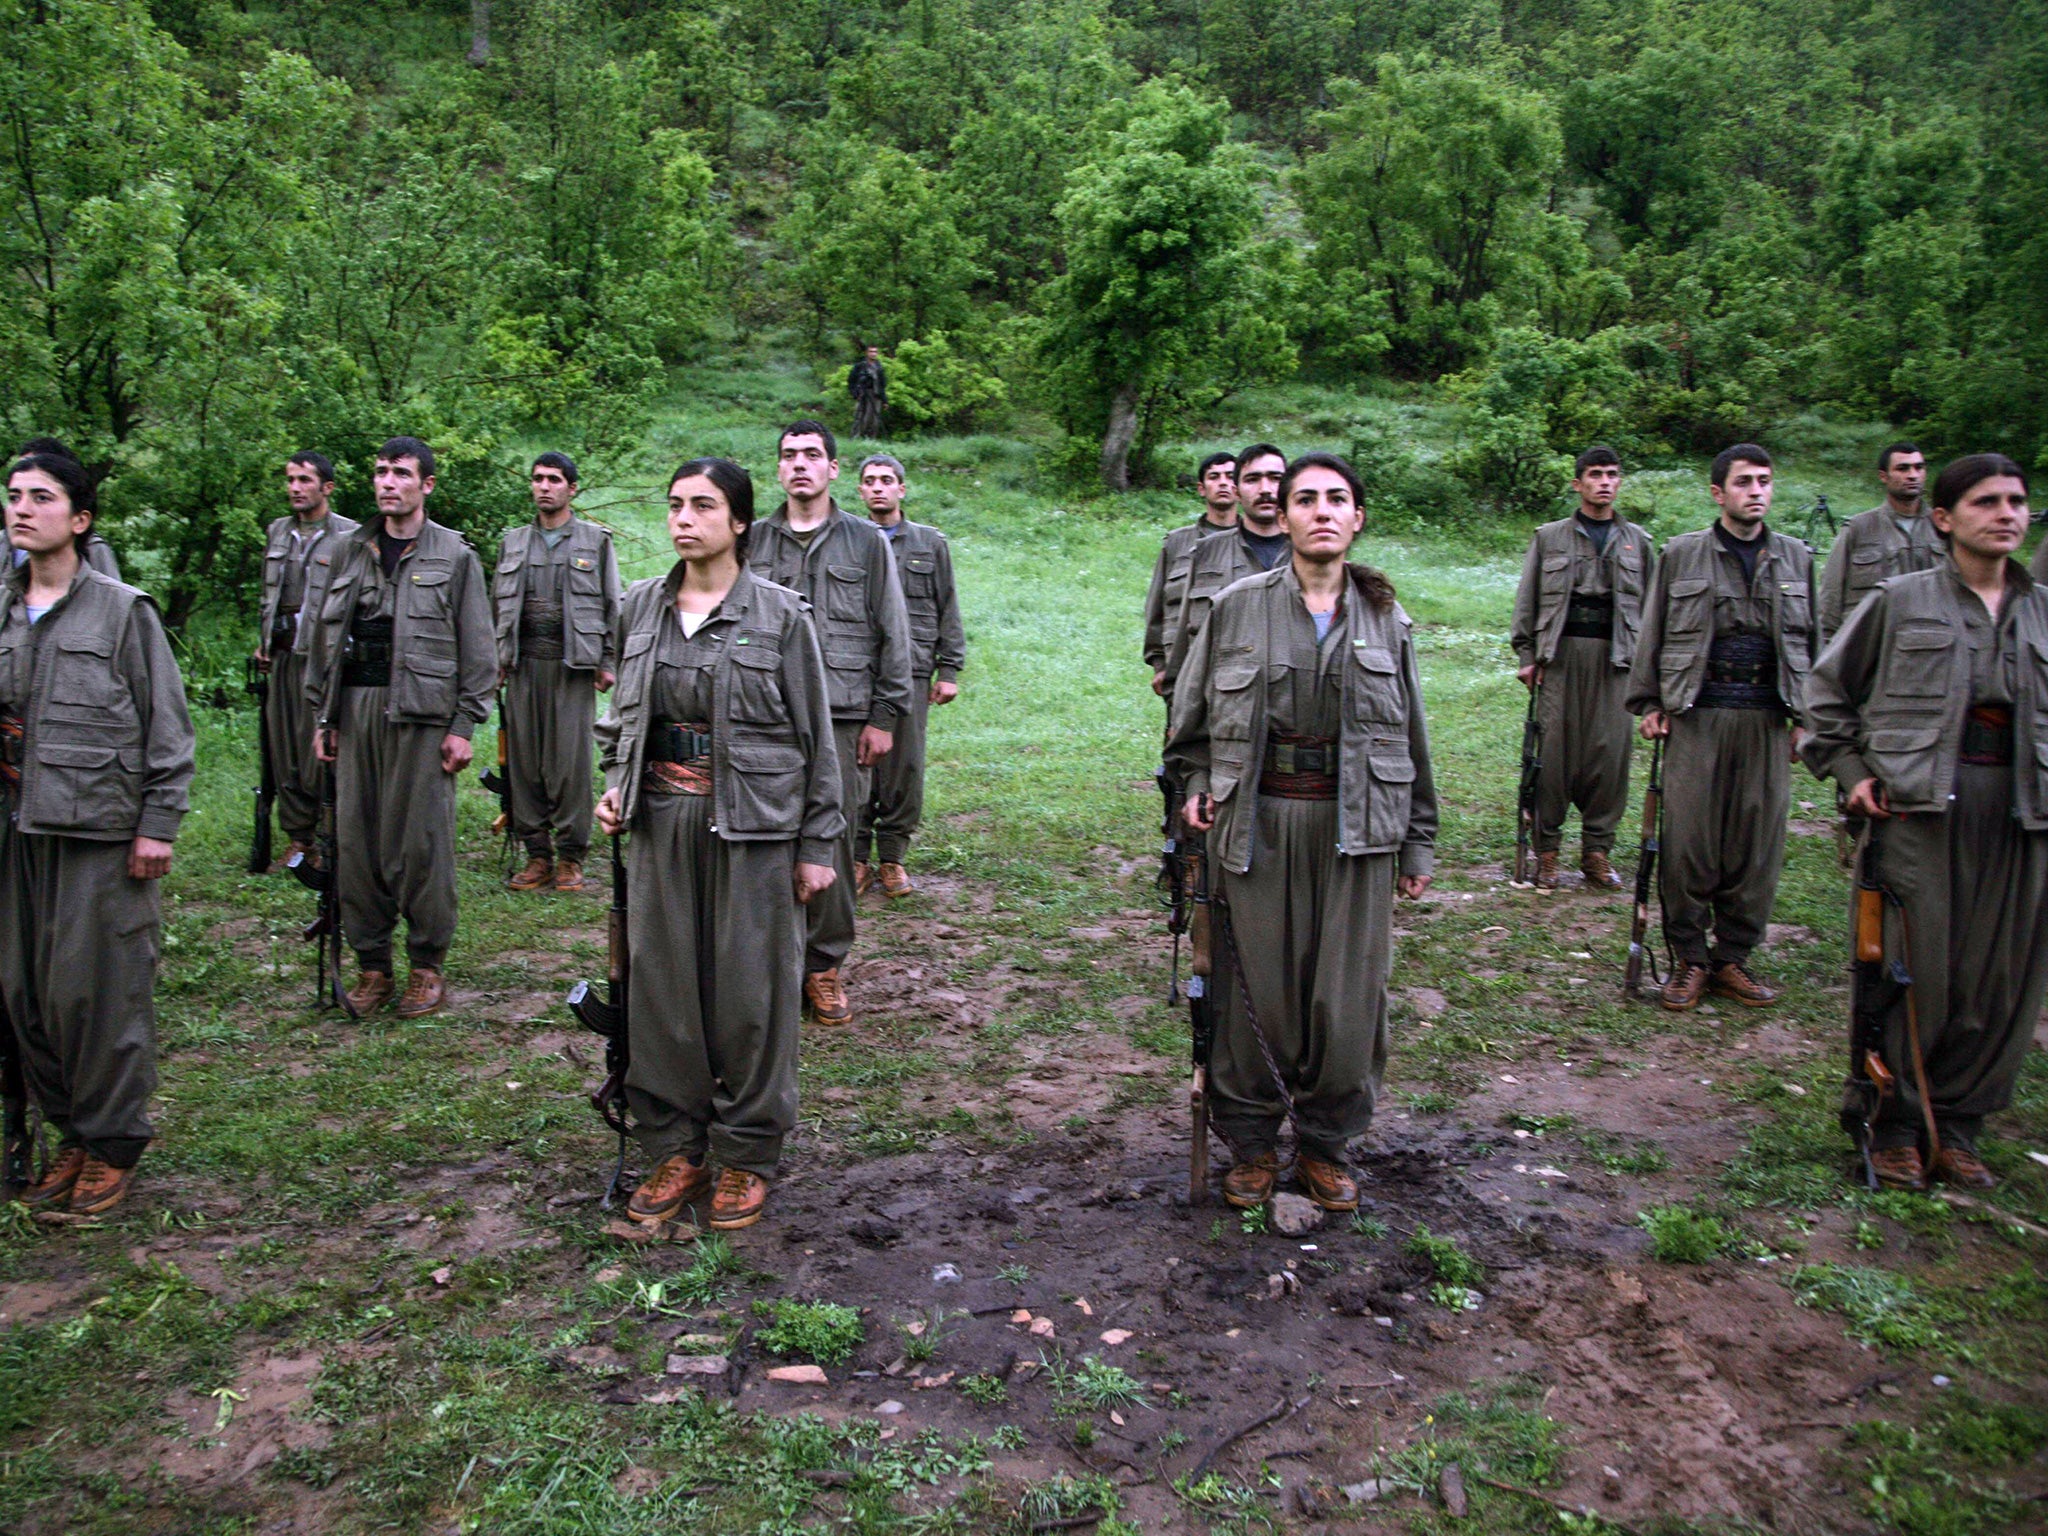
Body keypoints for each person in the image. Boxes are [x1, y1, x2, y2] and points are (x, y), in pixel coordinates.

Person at [1170, 452, 1437, 1212]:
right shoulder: (1235, 607)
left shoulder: (1388, 617)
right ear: (1281, 517)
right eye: (1306, 499)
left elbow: (1414, 743)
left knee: (1347, 1002)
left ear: (1357, 518)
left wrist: (1417, 841)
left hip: (1359, 832)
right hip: (1256, 826)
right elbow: (1187, 731)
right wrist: (1195, 789)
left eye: (1337, 500)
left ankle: (1324, 1144)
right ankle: (1251, 1143)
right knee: (1255, 996)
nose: (1322, 511)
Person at [594, 458, 842, 1231]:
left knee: (751, 997)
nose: (683, 519)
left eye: (703, 506)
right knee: (662, 993)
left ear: (739, 522)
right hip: (662, 822)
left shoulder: (780, 615)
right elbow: (620, 722)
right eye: (674, 505)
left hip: (755, 829)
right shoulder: (639, 607)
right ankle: (675, 1144)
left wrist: (817, 845)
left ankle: (745, 1154)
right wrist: (615, 783)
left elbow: (817, 738)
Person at [1802, 454, 2048, 1190]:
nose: (2007, 514)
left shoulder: (2044, 610)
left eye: (2017, 501)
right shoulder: (1900, 601)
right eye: (1986, 502)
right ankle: (1893, 1125)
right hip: (1919, 814)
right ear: (1944, 519)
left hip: (2022, 817)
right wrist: (1853, 776)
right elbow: (1826, 697)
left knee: (2000, 980)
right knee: (1910, 974)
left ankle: (1961, 1124)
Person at [0, 444, 194, 1215]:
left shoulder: (123, 611)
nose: (21, 508)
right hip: (17, 831)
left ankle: (113, 1143)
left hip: (100, 834)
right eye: (13, 494)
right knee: (24, 993)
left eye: (41, 497)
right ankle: (69, 1134)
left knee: (97, 995)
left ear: (79, 520)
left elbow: (168, 731)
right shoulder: (5, 608)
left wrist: (158, 826)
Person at [306, 438, 495, 1019]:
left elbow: (479, 649)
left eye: (402, 474)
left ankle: (426, 965)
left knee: (420, 845)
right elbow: (324, 637)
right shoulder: (347, 550)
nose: (388, 483)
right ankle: (372, 964)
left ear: (427, 485)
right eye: (381, 473)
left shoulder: (454, 556)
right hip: (358, 709)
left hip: (422, 715)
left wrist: (464, 723)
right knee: (356, 842)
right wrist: (325, 715)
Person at [1628, 444, 1816, 1012]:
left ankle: (1733, 956)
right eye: (1743, 482)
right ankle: (1689, 958)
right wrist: (1649, 702)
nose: (1756, 491)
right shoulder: (1682, 554)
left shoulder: (1797, 558)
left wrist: (1809, 718)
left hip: (1765, 719)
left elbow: (1816, 643)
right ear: (1719, 493)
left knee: (1756, 845)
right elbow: (1653, 630)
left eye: (1764, 481)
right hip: (1698, 715)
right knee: (1688, 842)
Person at [747, 421, 913, 1026]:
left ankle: (823, 964)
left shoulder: (865, 543)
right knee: (764, 840)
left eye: (812, 455)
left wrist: (885, 715)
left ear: (832, 469)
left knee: (833, 844)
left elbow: (895, 632)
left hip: (843, 718)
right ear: (778, 468)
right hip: (765, 716)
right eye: (789, 455)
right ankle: (772, 962)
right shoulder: (753, 539)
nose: (800, 465)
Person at [1509, 447, 1656, 890]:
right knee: (1552, 758)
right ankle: (1547, 854)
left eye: (1612, 474)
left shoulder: (1640, 543)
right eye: (1595, 475)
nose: (1604, 482)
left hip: (1617, 663)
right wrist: (1526, 656)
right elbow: (1528, 600)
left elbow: (1654, 613)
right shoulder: (1549, 537)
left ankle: (1597, 851)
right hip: (1561, 657)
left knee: (1609, 758)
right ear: (1578, 484)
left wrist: (1650, 677)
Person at [493, 451, 622, 893]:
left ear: (572, 488)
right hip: (524, 666)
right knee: (525, 766)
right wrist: (497, 659)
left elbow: (613, 605)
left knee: (569, 766)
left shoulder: (595, 542)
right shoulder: (512, 543)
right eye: (537, 479)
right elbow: (497, 607)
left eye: (553, 480)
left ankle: (570, 857)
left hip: (572, 669)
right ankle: (537, 855)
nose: (544, 487)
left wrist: (606, 661)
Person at [851, 454, 963, 897]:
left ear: (902, 488)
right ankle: (857, 855)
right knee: (856, 761)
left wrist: (948, 668)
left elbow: (947, 606)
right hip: (855, 670)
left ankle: (892, 858)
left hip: (912, 669)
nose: (878, 487)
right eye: (869, 481)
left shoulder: (929, 543)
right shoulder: (850, 540)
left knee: (904, 765)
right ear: (859, 491)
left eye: (886, 480)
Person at [253, 452, 358, 867]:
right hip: (281, 657)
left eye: (304, 480)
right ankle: (299, 839)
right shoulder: (278, 532)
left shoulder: (349, 536)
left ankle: (331, 835)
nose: (295, 487)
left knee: (322, 746)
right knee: (284, 750)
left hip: (324, 658)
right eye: (291, 479)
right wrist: (263, 639)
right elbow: (268, 592)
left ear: (326, 488)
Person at [1161, 444, 1289, 701]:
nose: (1265, 489)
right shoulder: (1205, 551)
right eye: (1253, 479)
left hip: (1291, 703)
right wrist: (1173, 696)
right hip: (1220, 701)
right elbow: (1184, 632)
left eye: (1276, 479)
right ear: (1238, 491)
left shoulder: (1313, 554)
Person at [1817, 442, 1939, 645]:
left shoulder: (1944, 528)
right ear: (1884, 476)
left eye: (1919, 467)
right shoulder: (1859, 528)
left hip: (1930, 647)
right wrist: (1828, 648)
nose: (1913, 475)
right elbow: (1831, 595)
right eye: (1903, 468)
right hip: (1869, 647)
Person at [1143, 452, 1239, 700]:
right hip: (1183, 664)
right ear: (1201, 489)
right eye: (1214, 477)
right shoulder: (1177, 543)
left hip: (1238, 662)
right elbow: (1156, 608)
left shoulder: (1254, 542)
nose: (1223, 483)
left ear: (1240, 487)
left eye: (1230, 476)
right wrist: (1160, 666)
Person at [12, 440, 121, 582]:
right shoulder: (4, 542)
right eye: (14, 497)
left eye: (41, 498)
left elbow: (111, 597)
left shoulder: (93, 548)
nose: (22, 509)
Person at [850, 345, 887, 439]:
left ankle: (871, 438)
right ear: (867, 353)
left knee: (874, 419)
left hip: (876, 394)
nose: (873, 354)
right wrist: (855, 394)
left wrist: (885, 400)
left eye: (875, 352)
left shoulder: (879, 367)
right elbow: (852, 381)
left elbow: (882, 384)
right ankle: (857, 436)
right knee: (860, 416)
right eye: (871, 351)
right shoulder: (860, 366)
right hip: (862, 394)